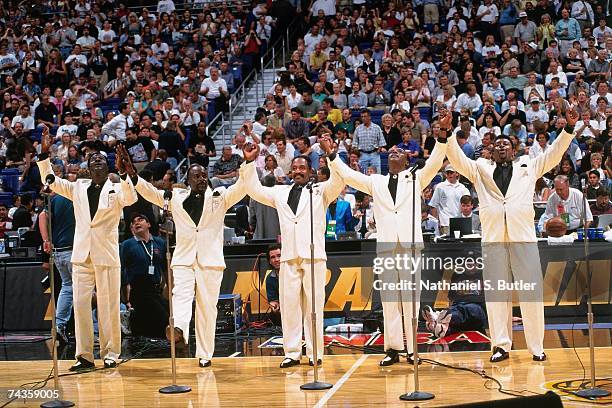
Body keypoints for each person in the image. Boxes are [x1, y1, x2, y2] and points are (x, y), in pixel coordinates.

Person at [444, 108, 579, 363]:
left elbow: (553, 155)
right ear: (492, 152)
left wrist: (568, 130)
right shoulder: (480, 168)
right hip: (493, 240)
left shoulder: (528, 165)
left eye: (506, 143)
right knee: (496, 295)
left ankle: (536, 347)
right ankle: (500, 345)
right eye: (497, 144)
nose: (502, 146)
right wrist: (448, 134)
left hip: (524, 239)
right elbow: (458, 159)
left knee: (531, 293)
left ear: (514, 150)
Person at [119, 143, 256, 368]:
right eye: (196, 175)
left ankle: (204, 354)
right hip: (183, 259)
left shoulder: (219, 197)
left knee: (207, 308)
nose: (201, 178)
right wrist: (132, 175)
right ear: (188, 180)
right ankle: (178, 328)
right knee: (180, 295)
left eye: (204, 175)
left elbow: (242, 188)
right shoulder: (175, 197)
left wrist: (248, 163)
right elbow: (150, 192)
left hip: (210, 262)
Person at [327, 123, 448, 366]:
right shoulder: (376, 182)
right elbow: (349, 176)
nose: (394, 152)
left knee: (412, 301)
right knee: (390, 301)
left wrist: (442, 137)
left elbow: (435, 161)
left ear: (407, 159)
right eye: (390, 151)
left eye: (399, 151)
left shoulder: (416, 177)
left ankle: (413, 349)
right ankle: (393, 348)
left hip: (410, 248)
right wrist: (332, 156)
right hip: (386, 250)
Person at [37, 126, 137, 371]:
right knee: (81, 305)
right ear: (88, 167)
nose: (97, 162)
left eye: (102, 159)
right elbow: (51, 182)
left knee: (109, 305)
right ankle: (84, 356)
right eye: (93, 159)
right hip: (81, 255)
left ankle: (111, 352)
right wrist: (44, 154)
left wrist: (126, 173)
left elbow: (131, 198)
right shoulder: (78, 187)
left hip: (106, 255)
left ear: (108, 166)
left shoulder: (116, 188)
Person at [241, 138, 344, 368]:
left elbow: (339, 181)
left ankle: (315, 353)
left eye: (302, 168)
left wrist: (332, 156)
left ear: (311, 172)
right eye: (295, 168)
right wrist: (249, 164)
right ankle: (292, 352)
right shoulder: (279, 192)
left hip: (313, 255)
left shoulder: (321, 190)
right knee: (289, 307)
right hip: (288, 257)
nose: (298, 171)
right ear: (290, 171)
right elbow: (253, 190)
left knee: (313, 307)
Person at [120, 213, 168, 338]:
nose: (136, 223)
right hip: (138, 291)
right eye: (133, 222)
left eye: (140, 219)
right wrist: (125, 297)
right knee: (164, 320)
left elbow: (166, 268)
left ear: (148, 224)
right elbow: (121, 269)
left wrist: (170, 288)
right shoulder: (127, 245)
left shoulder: (160, 243)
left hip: (157, 289)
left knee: (168, 316)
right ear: (131, 229)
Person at [39, 192, 76, 345]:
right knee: (85, 289)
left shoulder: (57, 198)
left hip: (58, 251)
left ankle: (59, 325)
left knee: (67, 287)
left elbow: (42, 216)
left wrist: (46, 240)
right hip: (74, 250)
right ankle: (90, 329)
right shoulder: (82, 194)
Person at [429, 165, 470, 235]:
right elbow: (433, 205)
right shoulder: (440, 187)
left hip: (459, 222)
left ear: (457, 173)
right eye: (447, 173)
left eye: (451, 172)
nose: (449, 174)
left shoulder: (462, 188)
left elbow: (468, 204)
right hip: (445, 223)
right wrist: (436, 223)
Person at [265, 244, 281, 326]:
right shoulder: (269, 279)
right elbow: (273, 300)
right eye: (273, 257)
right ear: (269, 261)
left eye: (279, 256)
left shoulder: (295, 274)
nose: (276, 259)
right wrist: (275, 306)